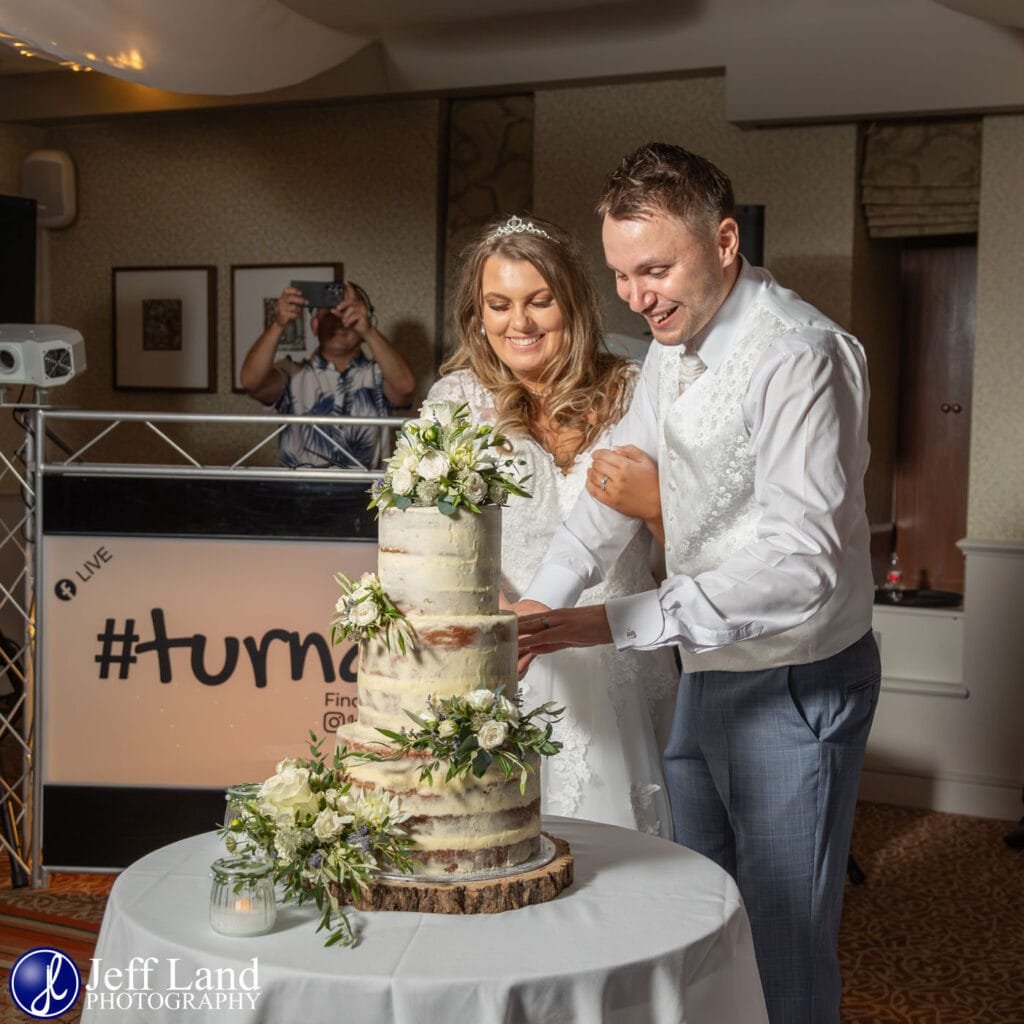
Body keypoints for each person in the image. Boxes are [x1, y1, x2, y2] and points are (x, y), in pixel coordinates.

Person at [515, 144, 880, 1024]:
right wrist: (544, 599)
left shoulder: (800, 356)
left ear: (724, 242)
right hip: (706, 674)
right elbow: (614, 480)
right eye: (620, 275)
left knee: (783, 941)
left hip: (795, 682)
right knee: (704, 922)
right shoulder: (672, 349)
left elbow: (802, 567)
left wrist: (611, 623)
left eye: (655, 268)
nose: (637, 297)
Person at [426, 213, 677, 838]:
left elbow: (694, 552)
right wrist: (518, 625)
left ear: (574, 302)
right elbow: (439, 545)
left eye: (540, 301)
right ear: (477, 315)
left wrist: (655, 508)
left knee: (636, 855)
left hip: (625, 651)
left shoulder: (636, 393)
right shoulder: (454, 403)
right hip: (511, 653)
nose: (521, 323)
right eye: (500, 304)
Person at [240, 281, 416, 468]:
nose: (340, 322)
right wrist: (278, 324)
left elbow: (405, 388)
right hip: (300, 493)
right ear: (315, 325)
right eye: (330, 315)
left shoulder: (379, 373)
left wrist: (367, 329)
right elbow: (251, 382)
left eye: (347, 313)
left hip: (366, 494)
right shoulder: (292, 373)